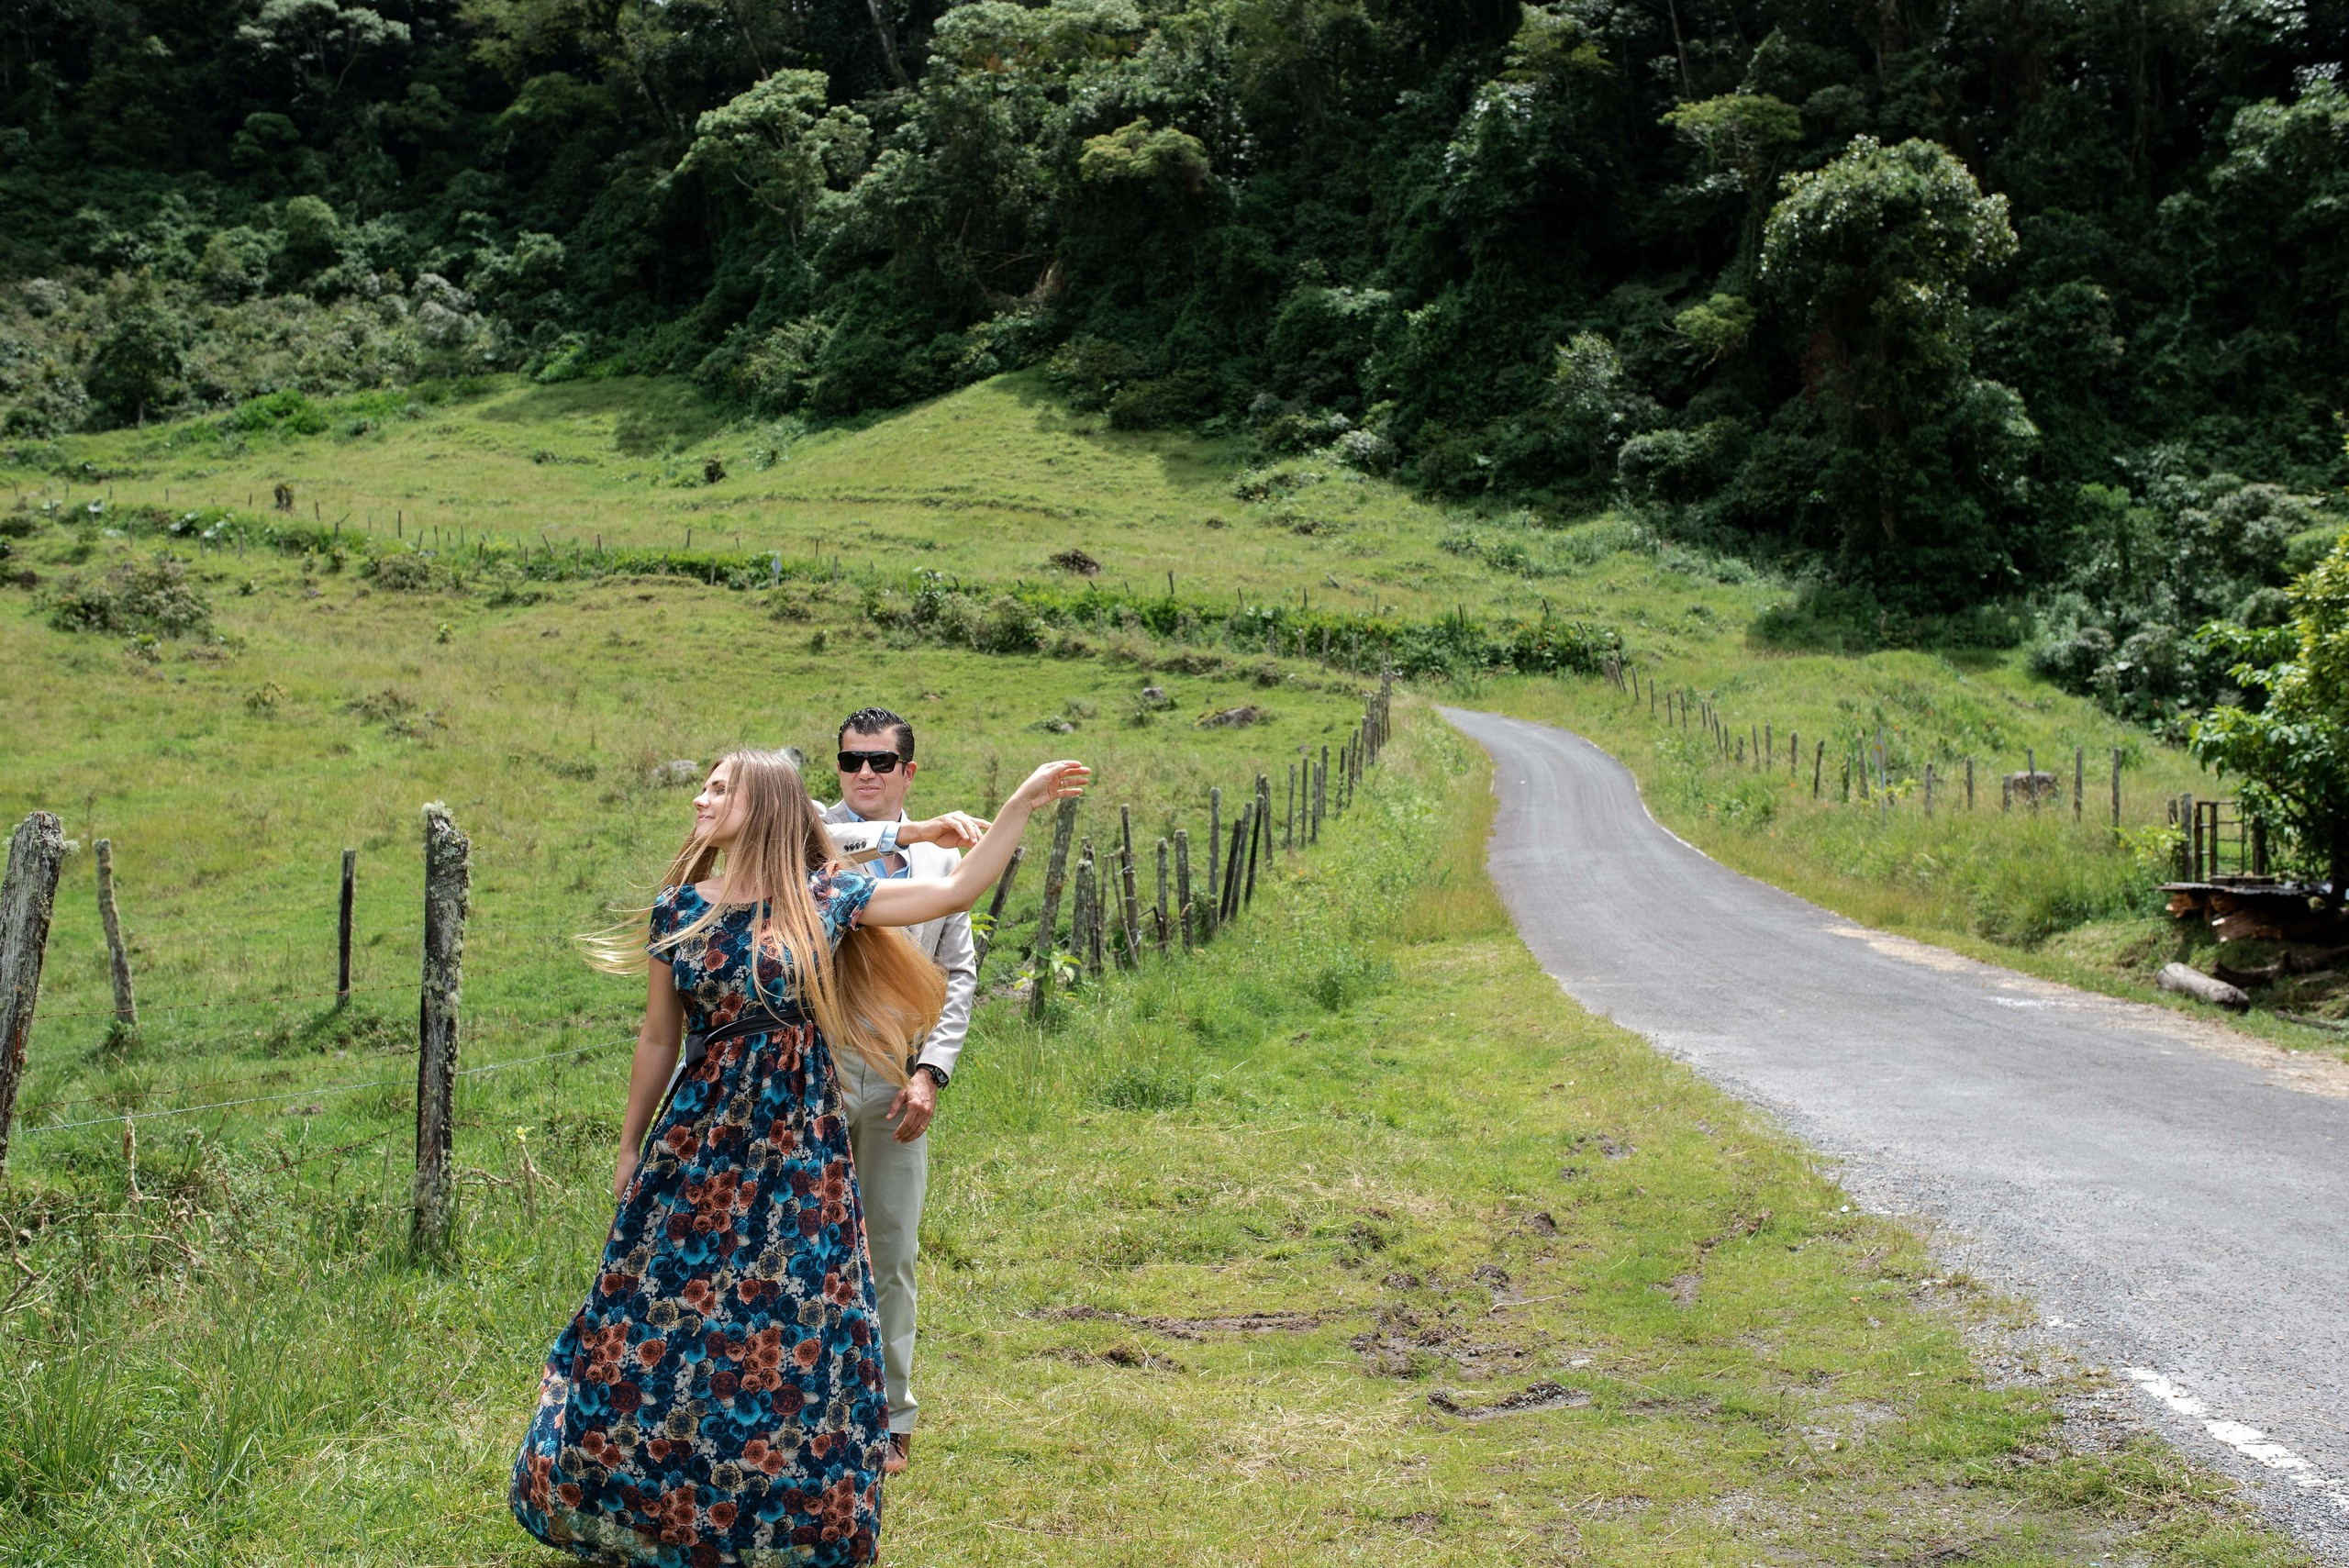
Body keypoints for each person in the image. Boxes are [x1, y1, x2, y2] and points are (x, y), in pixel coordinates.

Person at [511, 748, 1088, 1567]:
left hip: (796, 1159)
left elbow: (955, 889)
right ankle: (644, 1507)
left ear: (767, 803)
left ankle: (783, 1523)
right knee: (657, 1324)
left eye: (721, 786)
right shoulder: (677, 909)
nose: (703, 797)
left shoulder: (825, 899)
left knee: (792, 1338)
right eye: (704, 784)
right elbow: (656, 1037)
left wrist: (1023, 801)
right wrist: (630, 1142)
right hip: (695, 1153)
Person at [818, 707, 977, 1477]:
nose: (866, 775)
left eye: (883, 762)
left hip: (892, 1070)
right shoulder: (809, 838)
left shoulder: (945, 868)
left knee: (890, 1244)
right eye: (852, 761)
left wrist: (929, 1072)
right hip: (808, 1066)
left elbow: (958, 976)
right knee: (805, 1247)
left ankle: (889, 1417)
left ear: (910, 770)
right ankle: (804, 1407)